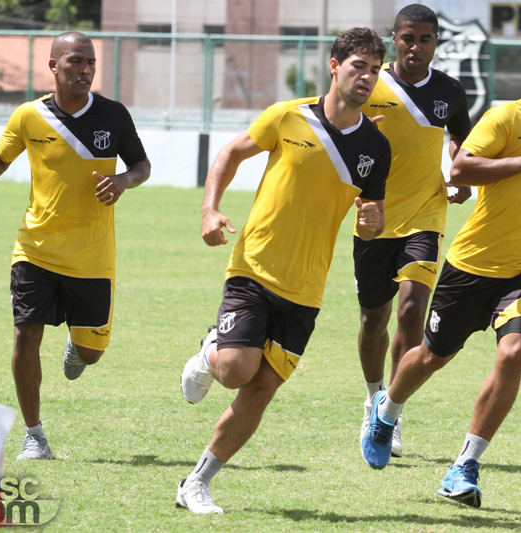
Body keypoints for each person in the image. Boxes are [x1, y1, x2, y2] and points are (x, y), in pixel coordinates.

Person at [360, 42, 521, 509]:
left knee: (515, 352)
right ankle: (387, 410)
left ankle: (464, 465)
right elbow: (462, 167)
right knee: (432, 357)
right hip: (472, 265)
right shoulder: (506, 116)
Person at [176, 27, 391, 514]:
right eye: (358, 66)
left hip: (307, 289)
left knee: (260, 391)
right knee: (236, 370)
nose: (367, 77)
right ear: (334, 67)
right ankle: (211, 352)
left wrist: (372, 222)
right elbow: (231, 153)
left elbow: (373, 216)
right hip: (254, 268)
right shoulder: (288, 115)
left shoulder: (376, 146)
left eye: (375, 70)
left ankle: (196, 483)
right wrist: (210, 209)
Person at [0, 31, 151, 460]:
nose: (85, 70)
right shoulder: (28, 116)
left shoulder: (113, 114)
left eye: (90, 62)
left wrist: (123, 180)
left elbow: (141, 165)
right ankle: (34, 435)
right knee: (25, 337)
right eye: (75, 61)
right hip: (35, 248)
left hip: (92, 256)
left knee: (90, 353)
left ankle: (78, 344)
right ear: (53, 65)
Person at [356, 4, 471, 458]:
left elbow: (461, 138)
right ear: (394, 39)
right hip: (374, 215)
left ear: (436, 43)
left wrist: (460, 172)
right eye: (408, 38)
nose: (415, 47)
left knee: (410, 310)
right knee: (373, 320)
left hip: (427, 214)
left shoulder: (450, 90)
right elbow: (339, 127)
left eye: (425, 39)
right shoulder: (369, 83)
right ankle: (373, 396)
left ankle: (391, 411)